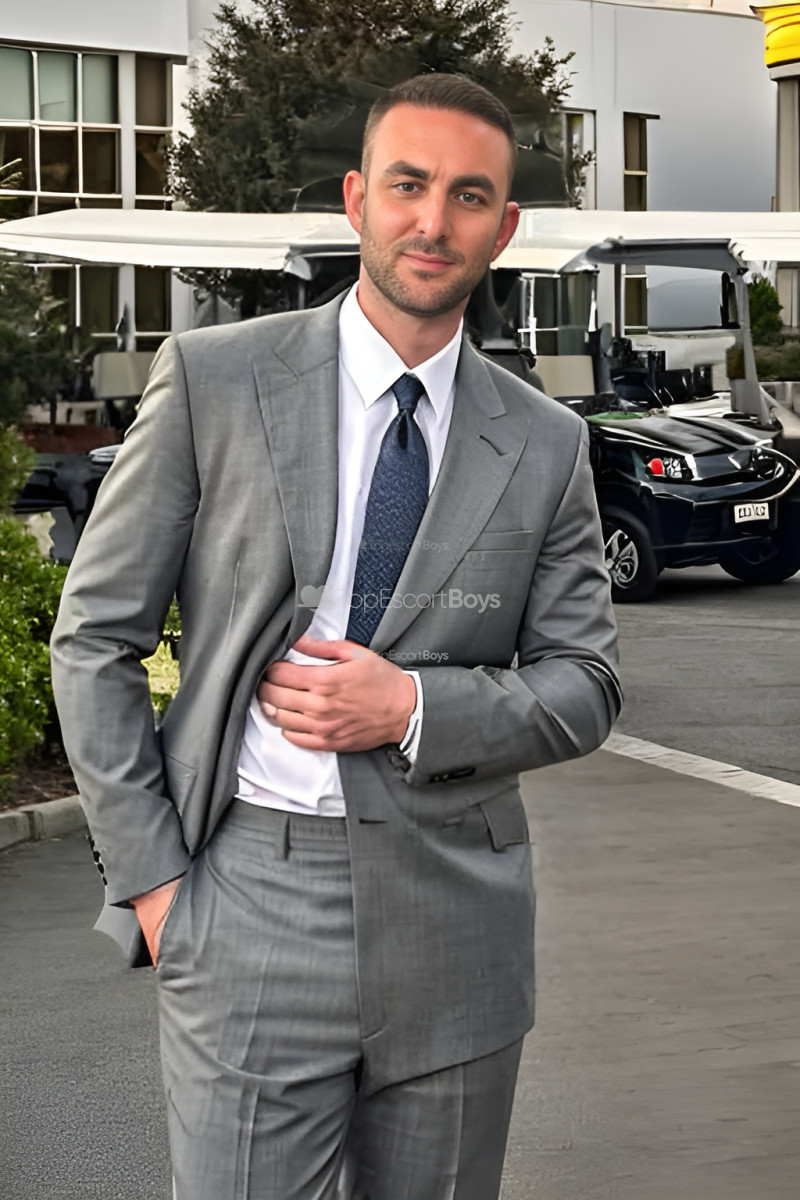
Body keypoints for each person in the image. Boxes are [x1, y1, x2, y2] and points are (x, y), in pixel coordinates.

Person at [51, 73, 621, 1200]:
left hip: (459, 916)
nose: (433, 221)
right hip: (249, 898)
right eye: (408, 185)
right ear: (358, 199)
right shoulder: (215, 380)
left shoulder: (548, 442)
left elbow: (586, 683)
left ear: (503, 228)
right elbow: (94, 638)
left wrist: (411, 707)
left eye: (468, 196)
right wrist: (157, 886)